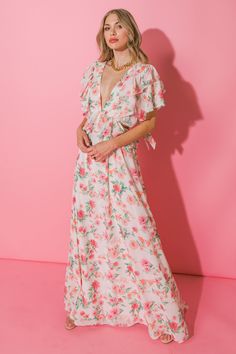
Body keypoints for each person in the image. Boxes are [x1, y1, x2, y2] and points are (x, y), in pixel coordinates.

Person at [64, 8, 190, 344]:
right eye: (107, 27)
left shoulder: (143, 73)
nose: (113, 31)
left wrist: (112, 144)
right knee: (89, 230)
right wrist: (80, 133)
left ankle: (161, 313)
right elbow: (89, 115)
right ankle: (85, 304)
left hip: (120, 161)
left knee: (136, 229)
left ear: (131, 31)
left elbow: (149, 124)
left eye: (119, 25)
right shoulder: (95, 70)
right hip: (88, 163)